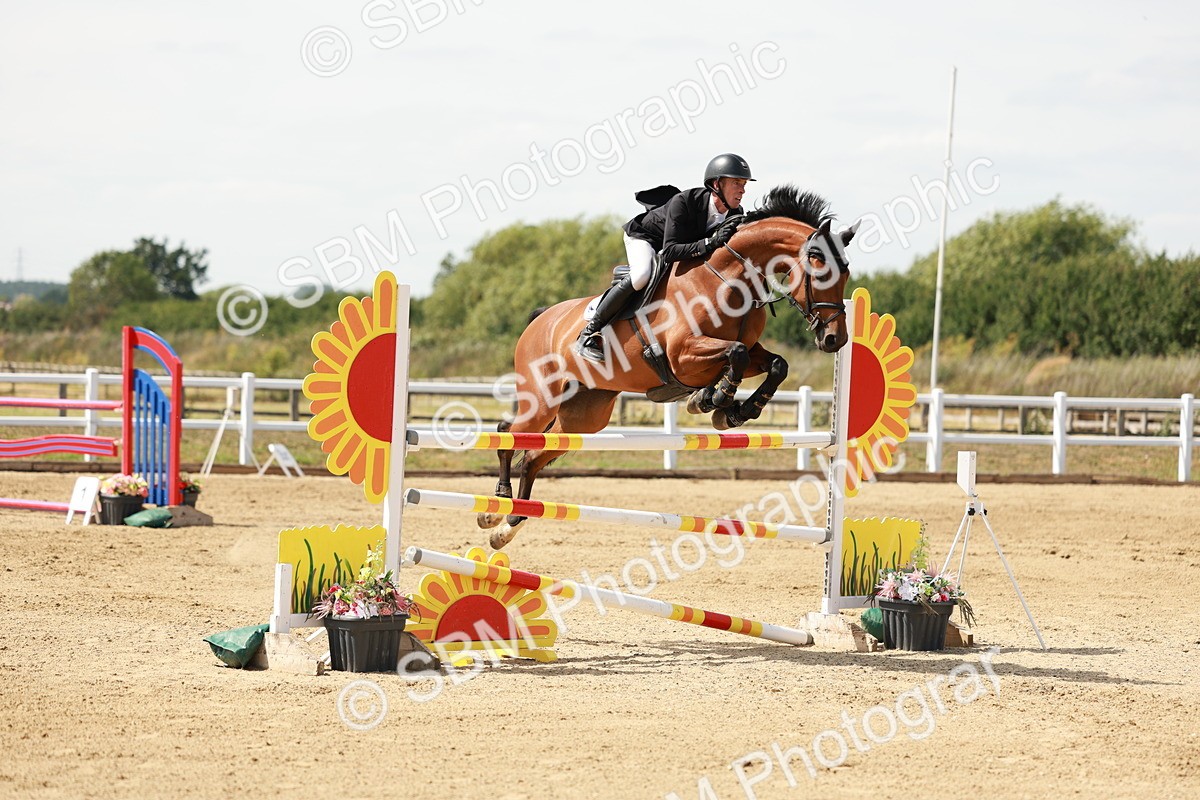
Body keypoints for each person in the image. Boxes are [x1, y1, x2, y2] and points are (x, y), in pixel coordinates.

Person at [573, 153, 754, 363]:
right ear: (716, 184)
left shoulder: (735, 213)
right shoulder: (684, 202)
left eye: (744, 184)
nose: (742, 189)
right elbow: (670, 251)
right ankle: (588, 332)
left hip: (679, 245)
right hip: (646, 238)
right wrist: (709, 243)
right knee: (642, 275)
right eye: (736, 183)